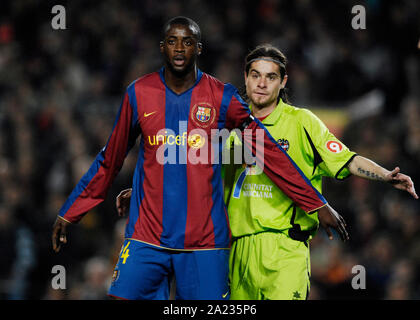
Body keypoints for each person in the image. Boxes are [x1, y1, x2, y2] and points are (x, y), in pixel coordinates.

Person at [52, 17, 347, 300]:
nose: (179, 48)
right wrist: (72, 210)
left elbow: (268, 151)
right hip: (148, 237)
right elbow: (110, 159)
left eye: (187, 42)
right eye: (172, 41)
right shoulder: (138, 93)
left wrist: (315, 202)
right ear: (162, 47)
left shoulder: (223, 97)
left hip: (204, 243)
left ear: (199, 49)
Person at [223, 44, 418, 300]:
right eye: (255, 75)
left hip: (284, 248)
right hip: (237, 249)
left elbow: (347, 159)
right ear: (245, 78)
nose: (261, 83)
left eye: (270, 77)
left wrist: (384, 174)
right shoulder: (227, 127)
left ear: (283, 82)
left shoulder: (301, 122)